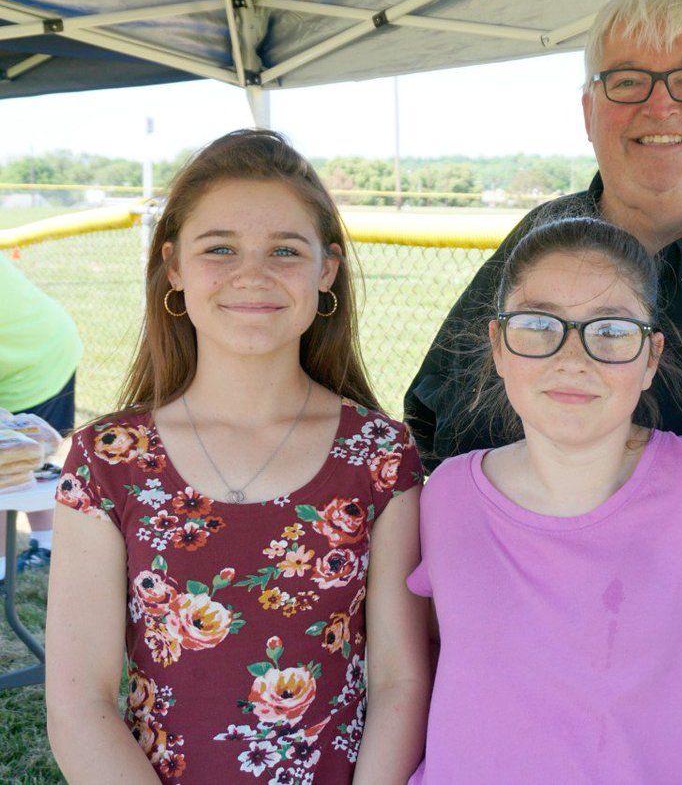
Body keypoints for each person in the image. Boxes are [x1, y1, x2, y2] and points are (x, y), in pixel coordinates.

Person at [405, 0, 682, 764]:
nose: (659, 105)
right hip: (533, 727)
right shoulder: (539, 249)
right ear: (587, 112)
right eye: (626, 81)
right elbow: (438, 433)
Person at [45, 130, 429, 782]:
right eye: (219, 248)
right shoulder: (108, 460)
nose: (252, 274)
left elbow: (400, 680)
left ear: (326, 270)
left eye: (285, 250)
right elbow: (79, 704)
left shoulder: (381, 457)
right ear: (174, 267)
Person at [408, 215, 682, 783]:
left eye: (611, 331)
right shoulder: (445, 496)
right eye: (538, 324)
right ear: (497, 347)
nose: (572, 358)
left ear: (650, 359)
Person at [0, 253, 83, 576]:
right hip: (41, 346)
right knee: (29, 461)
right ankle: (47, 544)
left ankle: (4, 570)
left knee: (9, 469)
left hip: (35, 361)